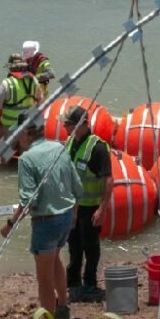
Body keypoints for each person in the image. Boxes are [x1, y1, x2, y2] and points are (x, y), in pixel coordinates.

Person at [0, 113, 82, 319]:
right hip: (65, 217)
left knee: (44, 279)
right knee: (56, 260)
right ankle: (63, 307)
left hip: (46, 223)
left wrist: (9, 224)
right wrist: (73, 213)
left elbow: (29, 201)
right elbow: (77, 186)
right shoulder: (59, 148)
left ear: (26, 133)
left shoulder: (27, 159)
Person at [62, 105, 113, 303]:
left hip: (90, 207)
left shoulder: (97, 147)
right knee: (73, 244)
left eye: (69, 124)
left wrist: (102, 209)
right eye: (65, 124)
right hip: (72, 206)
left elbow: (109, 180)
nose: (65, 127)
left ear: (83, 125)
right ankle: (73, 280)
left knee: (90, 245)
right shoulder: (69, 143)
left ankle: (90, 282)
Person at [0, 53, 42, 141]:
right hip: (27, 126)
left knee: (6, 152)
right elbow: (40, 99)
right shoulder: (33, 80)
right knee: (25, 152)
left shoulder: (7, 83)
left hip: (9, 127)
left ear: (10, 68)